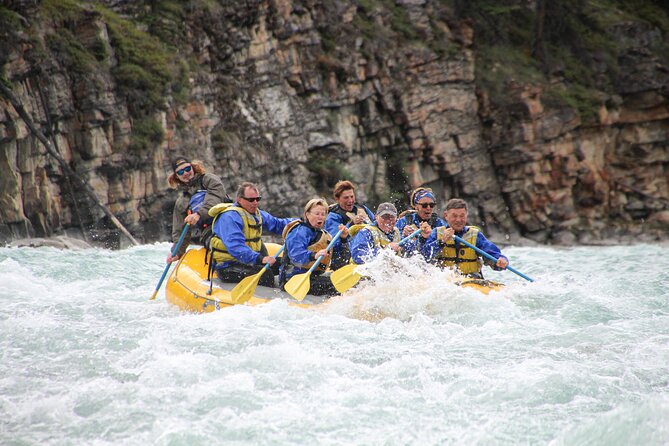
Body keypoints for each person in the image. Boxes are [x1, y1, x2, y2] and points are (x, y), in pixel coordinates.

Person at [208, 182, 295, 287]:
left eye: (257, 199)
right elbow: (236, 248)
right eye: (251, 200)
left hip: (250, 262)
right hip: (228, 266)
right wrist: (260, 258)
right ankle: (266, 300)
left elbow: (277, 224)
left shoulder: (257, 214)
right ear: (239, 199)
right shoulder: (229, 217)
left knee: (287, 265)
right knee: (265, 275)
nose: (255, 203)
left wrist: (298, 223)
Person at [421, 198, 508, 279]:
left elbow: (492, 253)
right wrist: (441, 242)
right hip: (446, 281)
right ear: (446, 215)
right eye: (454, 216)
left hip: (471, 280)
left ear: (466, 215)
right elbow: (425, 256)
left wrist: (501, 260)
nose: (458, 220)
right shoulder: (437, 233)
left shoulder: (475, 235)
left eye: (462, 216)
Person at [279, 198, 348, 296]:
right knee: (335, 286)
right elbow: (296, 255)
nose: (320, 217)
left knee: (341, 281)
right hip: (293, 279)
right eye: (317, 214)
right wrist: (314, 255)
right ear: (307, 215)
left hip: (313, 276)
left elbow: (339, 258)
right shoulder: (299, 232)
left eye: (323, 214)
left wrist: (343, 239)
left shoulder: (323, 234)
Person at [166, 156, 228, 263]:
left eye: (187, 169)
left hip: (228, 221)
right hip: (209, 231)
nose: (185, 173)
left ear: (193, 168)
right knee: (217, 245)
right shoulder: (181, 203)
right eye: (180, 172)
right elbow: (180, 231)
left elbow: (215, 198)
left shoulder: (209, 179)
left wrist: (199, 214)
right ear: (176, 177)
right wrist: (176, 252)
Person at [349, 202, 431, 264]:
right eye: (384, 217)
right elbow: (358, 256)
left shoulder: (397, 233)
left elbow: (413, 253)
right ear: (376, 217)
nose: (388, 220)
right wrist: (386, 250)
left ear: (396, 219)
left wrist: (423, 238)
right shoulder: (366, 233)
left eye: (391, 217)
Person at [324, 180, 375, 270]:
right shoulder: (333, 217)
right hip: (344, 258)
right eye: (346, 198)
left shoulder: (362, 209)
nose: (350, 200)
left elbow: (376, 225)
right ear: (337, 199)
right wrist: (351, 224)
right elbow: (334, 244)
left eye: (352, 196)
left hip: (366, 252)